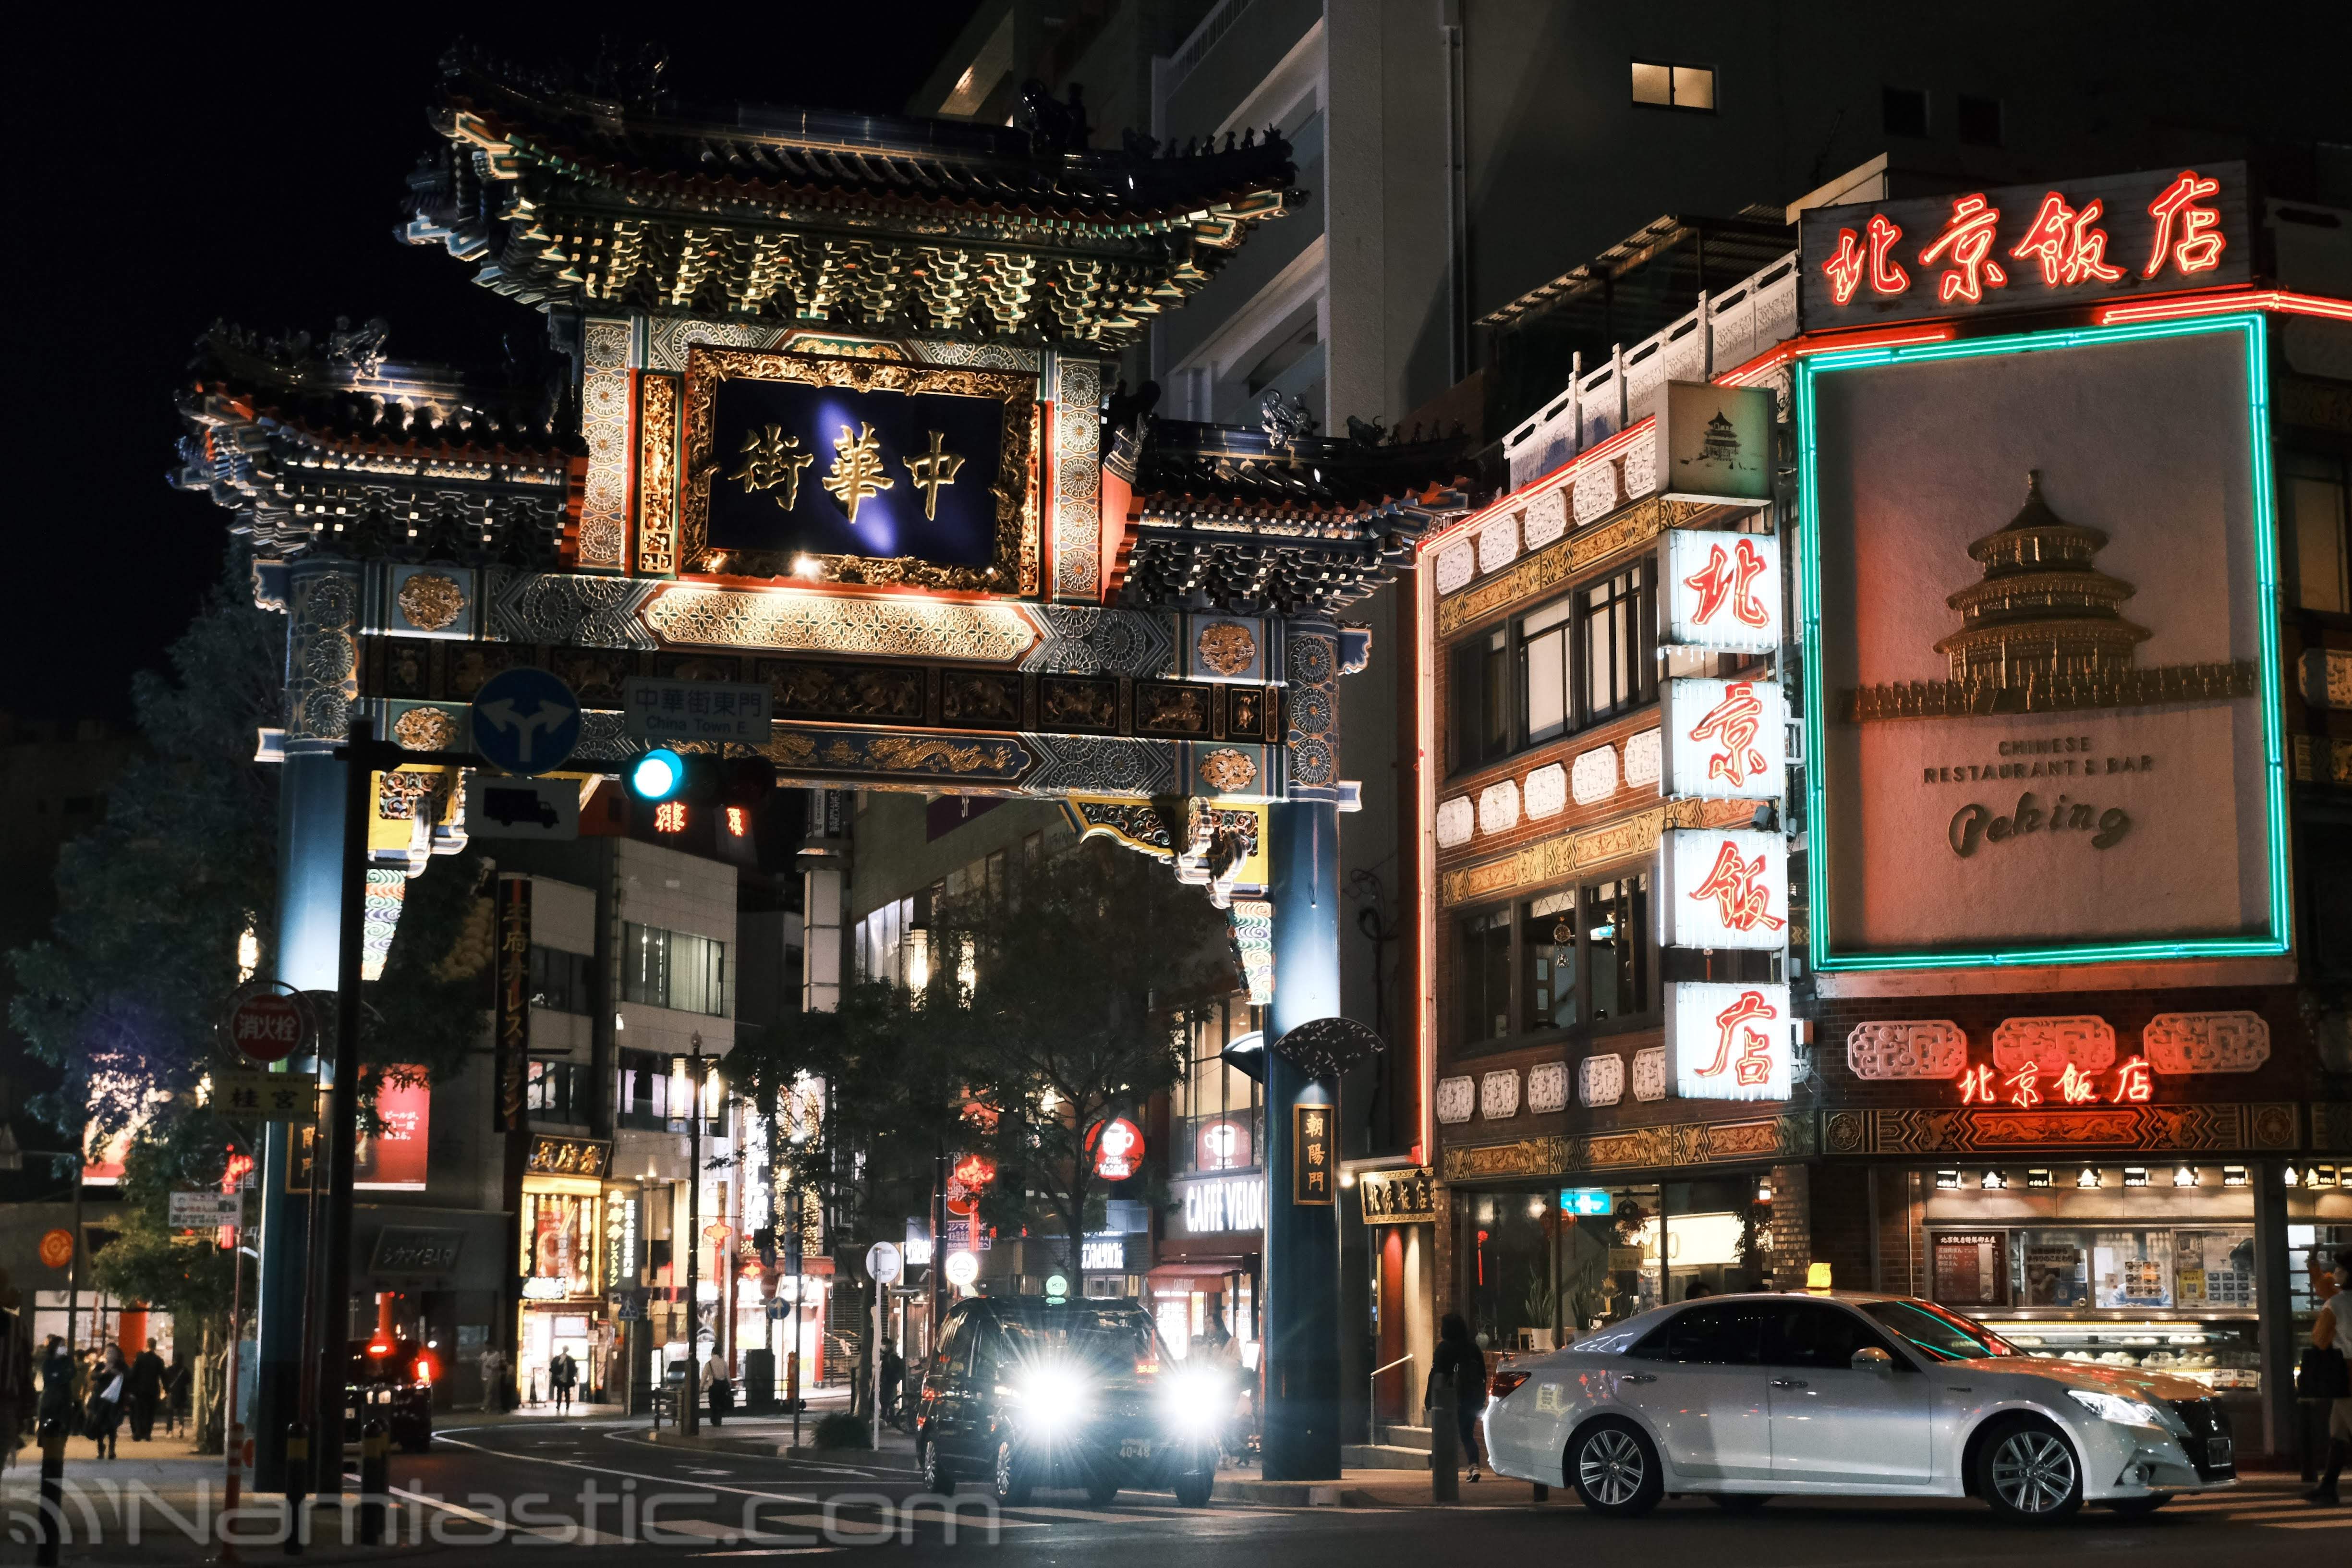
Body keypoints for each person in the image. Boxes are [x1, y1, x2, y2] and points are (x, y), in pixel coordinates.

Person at [2311, 1247, 2352, 1507]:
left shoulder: (2336, 1303)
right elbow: (2324, 1284)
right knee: (2338, 1432)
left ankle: (2328, 1488)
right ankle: (2328, 1486)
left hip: (2347, 1374)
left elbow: (2320, 1339)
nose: (2335, 1272)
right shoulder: (2339, 1298)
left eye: (2339, 1269)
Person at [1427, 1313, 1488, 1483]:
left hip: (1449, 1399)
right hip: (1471, 1399)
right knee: (1467, 1434)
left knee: (1447, 1435)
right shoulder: (1473, 1348)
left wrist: (1431, 1399)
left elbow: (1437, 1375)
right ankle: (1474, 1465)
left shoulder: (1444, 1349)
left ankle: (1446, 1471)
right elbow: (1482, 1374)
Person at [86, 1345, 127, 1459]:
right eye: (108, 1352)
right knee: (99, 1423)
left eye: (112, 1352)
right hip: (100, 1400)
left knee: (112, 1425)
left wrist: (117, 1373)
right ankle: (100, 1447)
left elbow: (128, 1377)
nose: (110, 1355)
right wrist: (104, 1372)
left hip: (114, 1401)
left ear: (117, 1355)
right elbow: (94, 1376)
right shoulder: (101, 1366)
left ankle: (112, 1449)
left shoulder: (121, 1367)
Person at [126, 1338, 166, 1442]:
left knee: (139, 1411)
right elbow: (163, 1376)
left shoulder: (140, 1359)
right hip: (153, 1390)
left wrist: (130, 1388)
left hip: (140, 1390)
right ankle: (148, 1433)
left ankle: (139, 1432)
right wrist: (167, 1389)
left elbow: (134, 1374)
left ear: (147, 1345)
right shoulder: (159, 1360)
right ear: (155, 1346)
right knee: (150, 1412)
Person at [163, 1350, 191, 1438]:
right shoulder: (185, 1370)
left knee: (170, 1413)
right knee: (181, 1413)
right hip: (182, 1394)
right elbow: (189, 1381)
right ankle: (181, 1427)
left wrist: (166, 1390)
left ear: (174, 1360)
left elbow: (165, 1381)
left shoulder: (169, 1370)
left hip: (171, 1394)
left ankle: (170, 1431)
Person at [701, 1349, 732, 1428]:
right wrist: (730, 1385)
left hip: (713, 1387)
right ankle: (719, 1419)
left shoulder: (709, 1364)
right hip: (722, 1387)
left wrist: (701, 1387)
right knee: (721, 1403)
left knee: (713, 1404)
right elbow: (728, 1376)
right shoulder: (724, 1363)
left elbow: (704, 1377)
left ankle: (714, 1419)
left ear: (712, 1353)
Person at [878, 1340, 905, 1427]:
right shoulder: (883, 1356)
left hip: (890, 1381)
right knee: (885, 1400)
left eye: (885, 1345)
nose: (883, 1346)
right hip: (885, 1381)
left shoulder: (892, 1357)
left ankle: (888, 1417)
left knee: (888, 1400)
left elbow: (895, 1370)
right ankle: (888, 1417)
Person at [477, 1344, 506, 1414]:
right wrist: (478, 1363)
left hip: (492, 1376)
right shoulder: (484, 1354)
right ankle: (489, 1407)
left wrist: (492, 1367)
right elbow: (479, 1361)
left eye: (488, 1346)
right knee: (486, 1392)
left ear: (492, 1346)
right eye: (486, 1346)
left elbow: (499, 1364)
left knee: (488, 1391)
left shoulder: (496, 1355)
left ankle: (484, 1407)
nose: (487, 1347)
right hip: (484, 1375)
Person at [549, 1349, 577, 1415]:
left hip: (561, 1378)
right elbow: (574, 1369)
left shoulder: (559, 1358)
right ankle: (566, 1406)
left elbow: (554, 1367)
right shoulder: (570, 1359)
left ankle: (560, 1405)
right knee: (566, 1392)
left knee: (560, 1392)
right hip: (566, 1378)